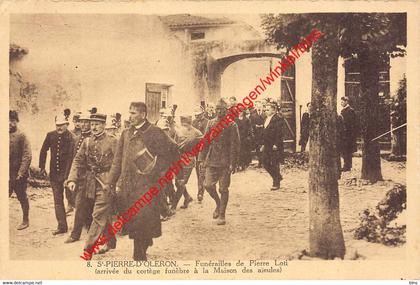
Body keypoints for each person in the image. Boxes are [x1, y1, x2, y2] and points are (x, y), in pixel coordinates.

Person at [105, 102, 180, 261]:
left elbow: (172, 152)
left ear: (143, 115)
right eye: (129, 112)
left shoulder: (155, 132)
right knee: (135, 220)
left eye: (133, 113)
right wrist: (110, 181)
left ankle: (139, 254)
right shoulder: (126, 133)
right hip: (128, 185)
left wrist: (155, 170)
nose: (130, 116)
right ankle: (145, 241)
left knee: (141, 218)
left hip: (147, 185)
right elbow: (117, 161)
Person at [66, 113, 117, 254]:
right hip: (90, 183)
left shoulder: (113, 141)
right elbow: (77, 161)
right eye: (92, 124)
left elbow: (118, 164)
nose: (94, 127)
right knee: (101, 214)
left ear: (104, 125)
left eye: (97, 124)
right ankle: (111, 241)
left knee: (98, 214)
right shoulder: (87, 142)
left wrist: (116, 183)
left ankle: (88, 247)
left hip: (106, 182)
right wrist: (72, 179)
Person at [199, 99, 240, 225]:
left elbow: (235, 145)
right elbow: (205, 141)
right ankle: (218, 203)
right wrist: (201, 158)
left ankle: (222, 214)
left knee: (223, 188)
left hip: (225, 161)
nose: (218, 111)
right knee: (208, 185)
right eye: (217, 109)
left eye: (221, 109)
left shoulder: (231, 125)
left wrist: (233, 163)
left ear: (226, 111)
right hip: (212, 160)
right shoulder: (211, 123)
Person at [39, 112, 75, 235]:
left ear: (67, 124)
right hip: (54, 175)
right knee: (57, 201)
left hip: (68, 175)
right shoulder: (50, 135)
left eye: (62, 125)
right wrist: (42, 167)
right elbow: (44, 150)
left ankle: (82, 224)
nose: (59, 127)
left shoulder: (72, 138)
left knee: (73, 199)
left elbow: (71, 158)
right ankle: (62, 226)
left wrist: (68, 177)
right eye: (57, 125)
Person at [65, 112, 94, 244]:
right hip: (79, 177)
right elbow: (72, 160)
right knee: (79, 204)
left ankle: (90, 230)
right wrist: (70, 177)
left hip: (92, 177)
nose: (83, 124)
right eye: (81, 121)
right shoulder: (76, 138)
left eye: (86, 122)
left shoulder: (94, 139)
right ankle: (76, 233)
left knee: (90, 205)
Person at [172, 115, 202, 210]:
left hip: (189, 159)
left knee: (181, 183)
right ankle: (187, 198)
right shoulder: (179, 131)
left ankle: (173, 206)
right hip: (179, 159)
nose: (184, 127)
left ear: (190, 123)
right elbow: (175, 143)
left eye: (186, 125)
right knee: (177, 182)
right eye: (183, 124)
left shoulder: (197, 132)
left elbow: (203, 144)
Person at [9, 110, 32, 230]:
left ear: (16, 121)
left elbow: (27, 155)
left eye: (12, 121)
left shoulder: (21, 135)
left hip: (18, 174)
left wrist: (21, 173)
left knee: (22, 197)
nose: (9, 123)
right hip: (5, 174)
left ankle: (25, 219)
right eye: (7, 120)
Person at [261, 101, 284, 191]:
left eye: (268, 109)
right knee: (265, 162)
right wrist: (263, 144)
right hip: (267, 144)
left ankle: (276, 183)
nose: (266, 111)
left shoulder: (278, 119)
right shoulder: (266, 119)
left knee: (274, 164)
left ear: (274, 110)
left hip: (274, 145)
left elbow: (279, 133)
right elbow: (264, 133)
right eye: (265, 109)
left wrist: (276, 144)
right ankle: (278, 176)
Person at [192, 105, 208, 203]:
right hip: (195, 151)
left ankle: (200, 192)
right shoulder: (193, 123)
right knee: (198, 172)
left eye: (199, 115)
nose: (197, 117)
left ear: (203, 113)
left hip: (204, 150)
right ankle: (201, 189)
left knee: (202, 171)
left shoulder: (207, 122)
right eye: (196, 115)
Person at [340, 96, 358, 171]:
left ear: (346, 102)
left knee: (347, 150)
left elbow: (351, 124)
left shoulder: (350, 111)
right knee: (345, 150)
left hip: (348, 134)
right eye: (341, 102)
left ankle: (347, 166)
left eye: (343, 102)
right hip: (345, 134)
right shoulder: (344, 110)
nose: (341, 103)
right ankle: (347, 165)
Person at [250, 101, 266, 168]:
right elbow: (251, 124)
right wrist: (255, 126)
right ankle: (260, 162)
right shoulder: (253, 115)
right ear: (256, 108)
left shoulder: (265, 115)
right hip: (256, 134)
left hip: (263, 133)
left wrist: (263, 126)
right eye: (258, 107)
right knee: (257, 147)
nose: (259, 108)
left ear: (262, 107)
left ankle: (263, 162)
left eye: (260, 107)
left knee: (263, 147)